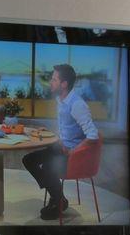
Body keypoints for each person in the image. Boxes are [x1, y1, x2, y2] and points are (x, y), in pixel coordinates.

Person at [22, 63, 100, 220]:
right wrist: (50, 134)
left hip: (73, 156)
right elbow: (67, 129)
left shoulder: (77, 104)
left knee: (48, 166)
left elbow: (93, 136)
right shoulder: (61, 100)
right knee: (28, 160)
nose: (50, 82)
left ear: (64, 84)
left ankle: (57, 200)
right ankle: (59, 198)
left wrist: (73, 151)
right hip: (61, 148)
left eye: (54, 79)